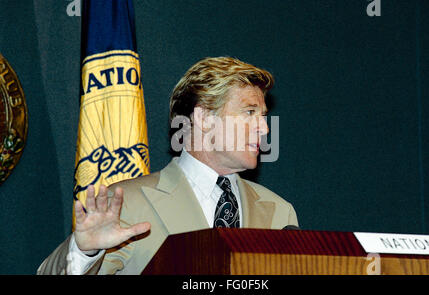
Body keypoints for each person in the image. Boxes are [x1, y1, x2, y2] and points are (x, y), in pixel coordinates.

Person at [37, 57, 299, 275]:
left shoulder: (280, 214)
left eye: (263, 116)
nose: (264, 128)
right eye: (249, 112)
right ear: (204, 118)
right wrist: (83, 252)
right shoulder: (127, 203)